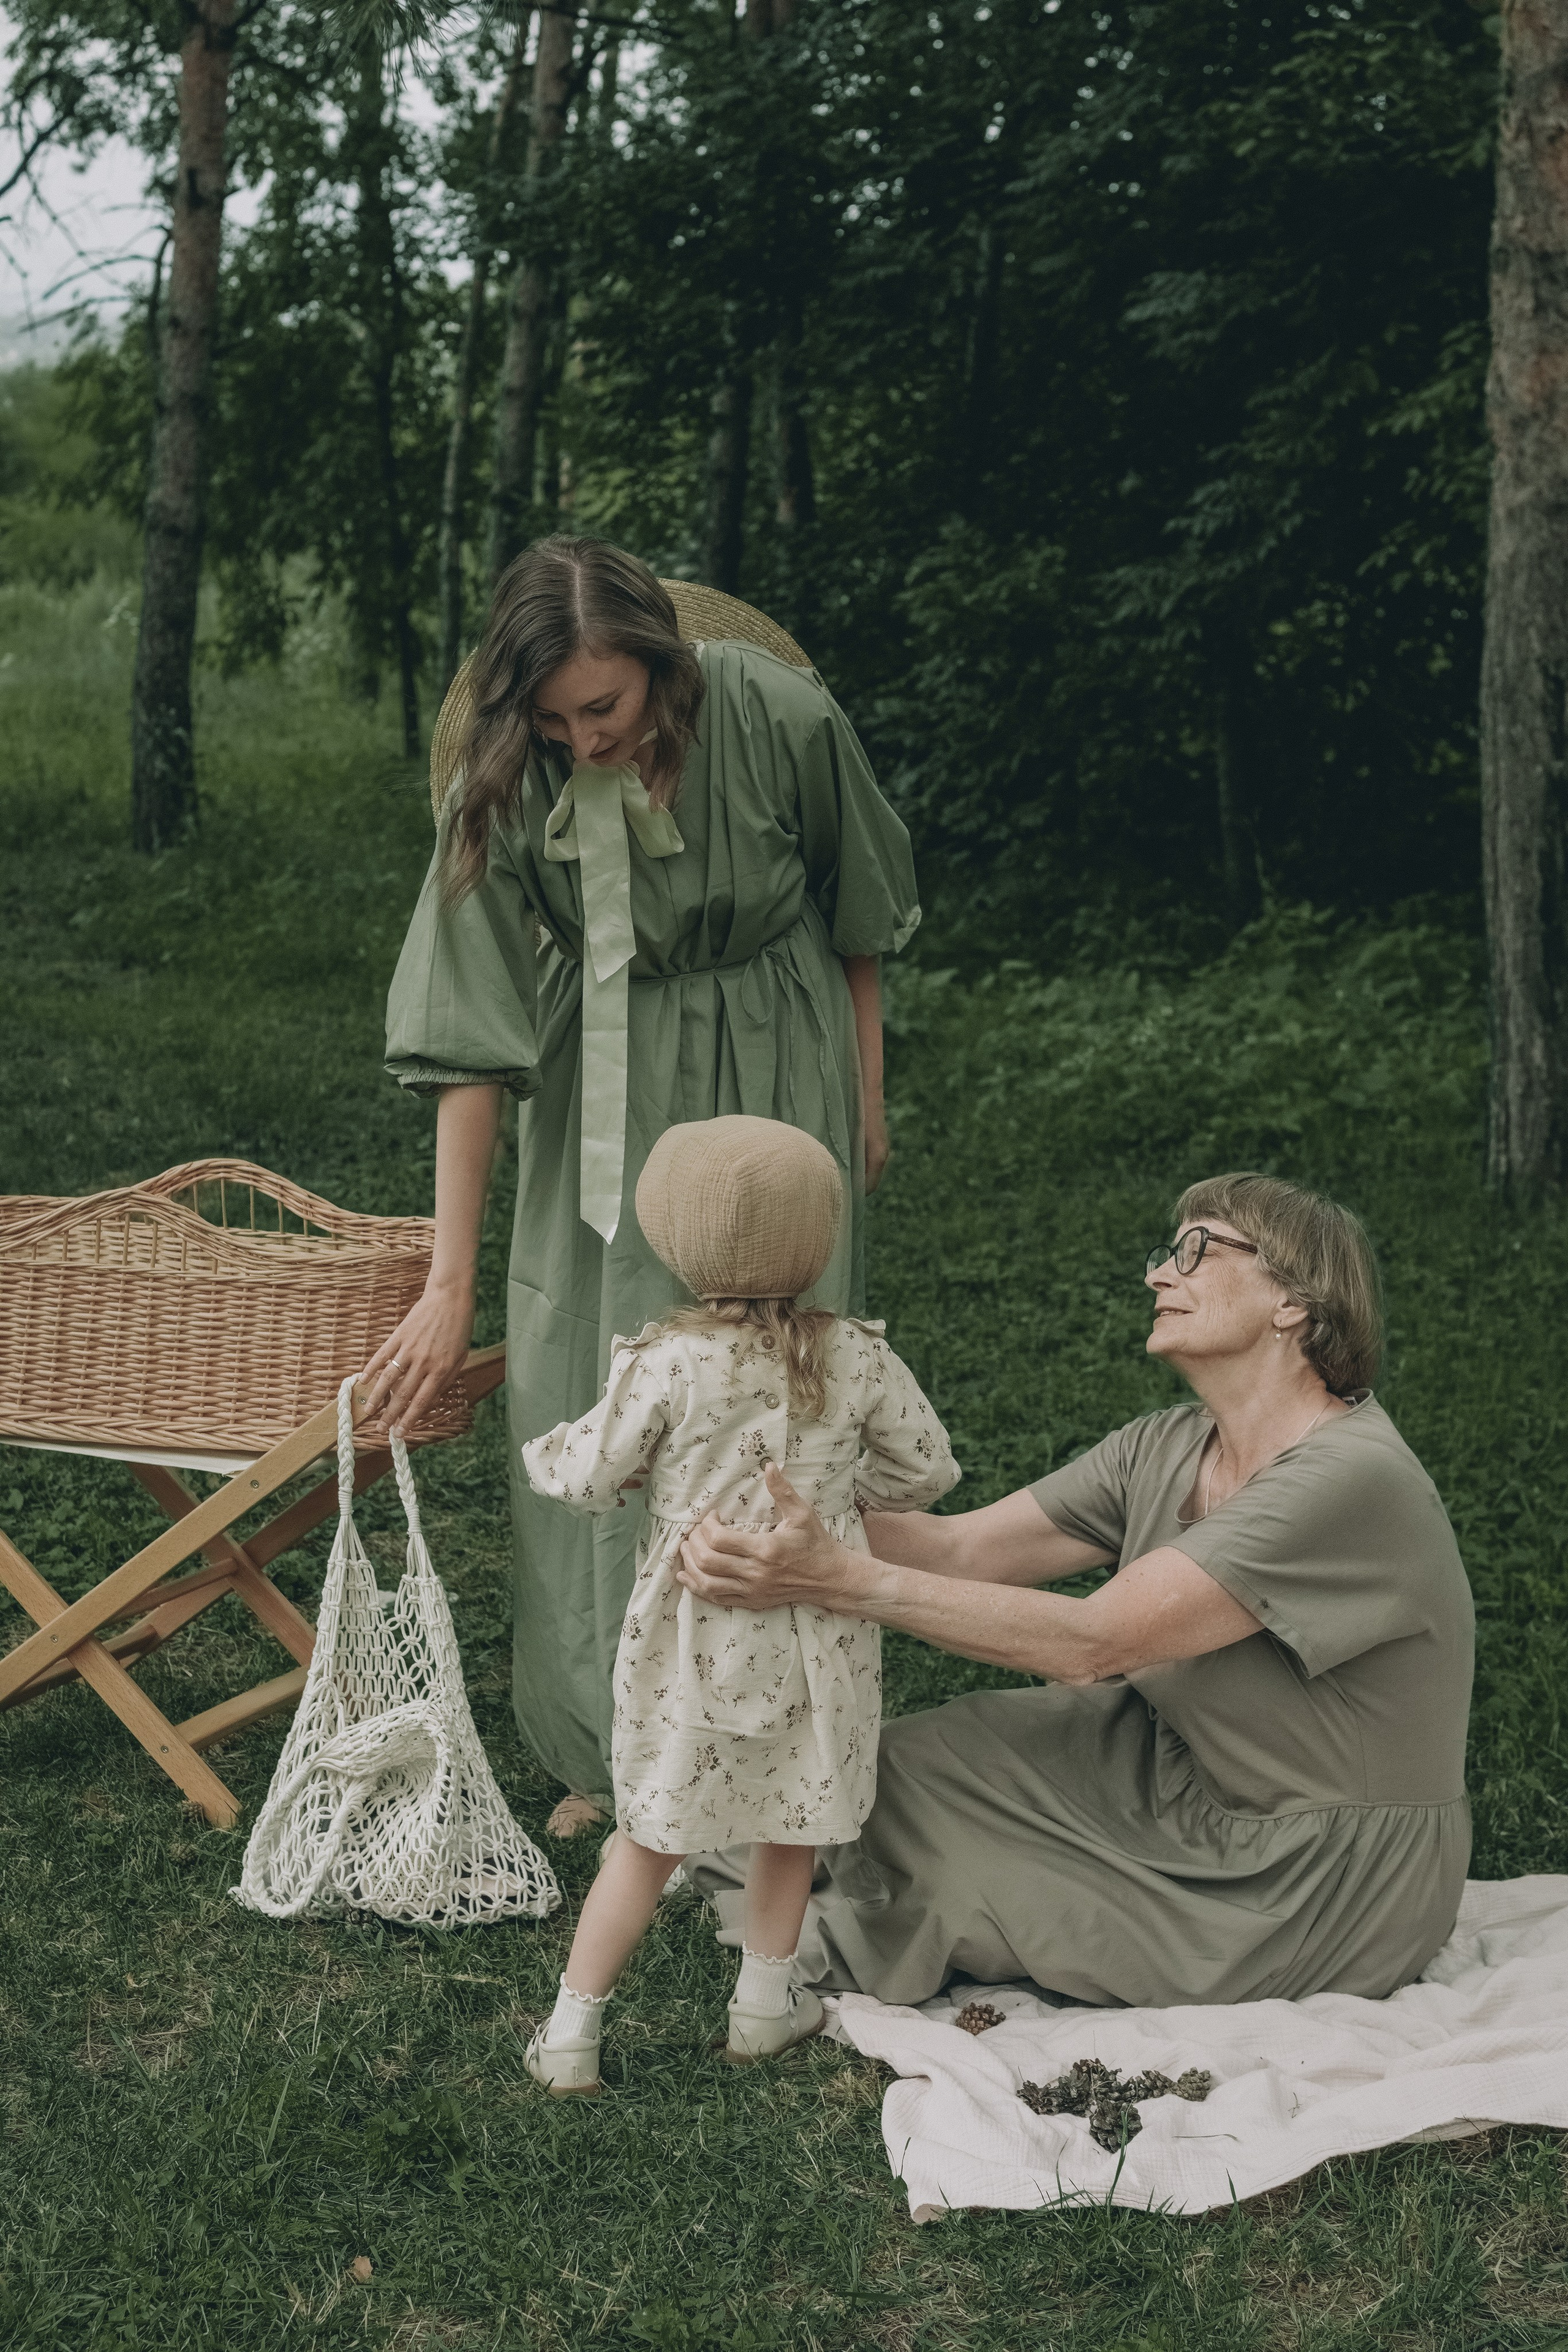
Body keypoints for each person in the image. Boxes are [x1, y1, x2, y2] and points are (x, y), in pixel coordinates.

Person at [365, 539, 919, 1830]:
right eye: (554, 720)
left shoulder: (776, 713)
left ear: (660, 666)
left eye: (602, 708)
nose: (583, 740)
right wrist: (450, 1281)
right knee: (595, 1379)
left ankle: (774, 1744)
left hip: (779, 1056)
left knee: (773, 1388)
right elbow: (467, 1037)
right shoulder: (506, 772)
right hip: (603, 1082)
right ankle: (612, 1749)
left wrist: (866, 1092)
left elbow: (857, 909)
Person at [679, 1172, 1476, 2010]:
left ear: (1294, 1302)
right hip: (1174, 1768)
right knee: (894, 1769)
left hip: (1318, 1871)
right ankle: (749, 1858)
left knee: (968, 1890)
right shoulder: (1166, 1445)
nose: (1158, 1274)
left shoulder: (1351, 1479)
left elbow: (1094, 1644)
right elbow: (963, 1549)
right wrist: (751, 1493)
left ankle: (816, 1936)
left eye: (1198, 1251)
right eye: (1168, 1253)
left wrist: (839, 1579)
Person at [518, 1116, 958, 2092]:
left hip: (693, 1632)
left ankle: (572, 2034)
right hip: (818, 1625)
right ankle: (761, 2009)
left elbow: (588, 1474)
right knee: (791, 1815)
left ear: (678, 1239)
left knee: (651, 1835)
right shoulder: (856, 1356)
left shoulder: (669, 1362)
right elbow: (927, 1469)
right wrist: (837, 1498)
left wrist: (581, 1462)